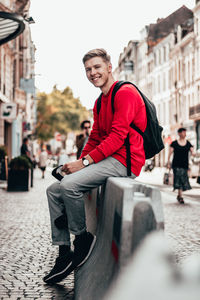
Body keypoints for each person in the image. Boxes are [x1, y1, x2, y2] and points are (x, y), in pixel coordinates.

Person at [43, 48, 147, 284]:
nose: (93, 73)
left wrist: (85, 162)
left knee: (69, 186)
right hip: (108, 158)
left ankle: (82, 240)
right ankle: (63, 253)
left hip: (125, 160)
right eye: (88, 70)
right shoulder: (100, 102)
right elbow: (96, 136)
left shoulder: (125, 93)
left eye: (97, 67)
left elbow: (118, 136)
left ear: (109, 67)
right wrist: (79, 161)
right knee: (53, 190)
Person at [167, 127, 194, 204]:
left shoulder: (188, 143)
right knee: (178, 179)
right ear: (179, 133)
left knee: (183, 180)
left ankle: (179, 195)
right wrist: (168, 163)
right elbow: (170, 153)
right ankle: (180, 196)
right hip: (176, 165)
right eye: (182, 132)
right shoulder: (174, 143)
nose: (184, 134)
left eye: (185, 132)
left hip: (185, 165)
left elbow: (193, 152)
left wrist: (194, 153)